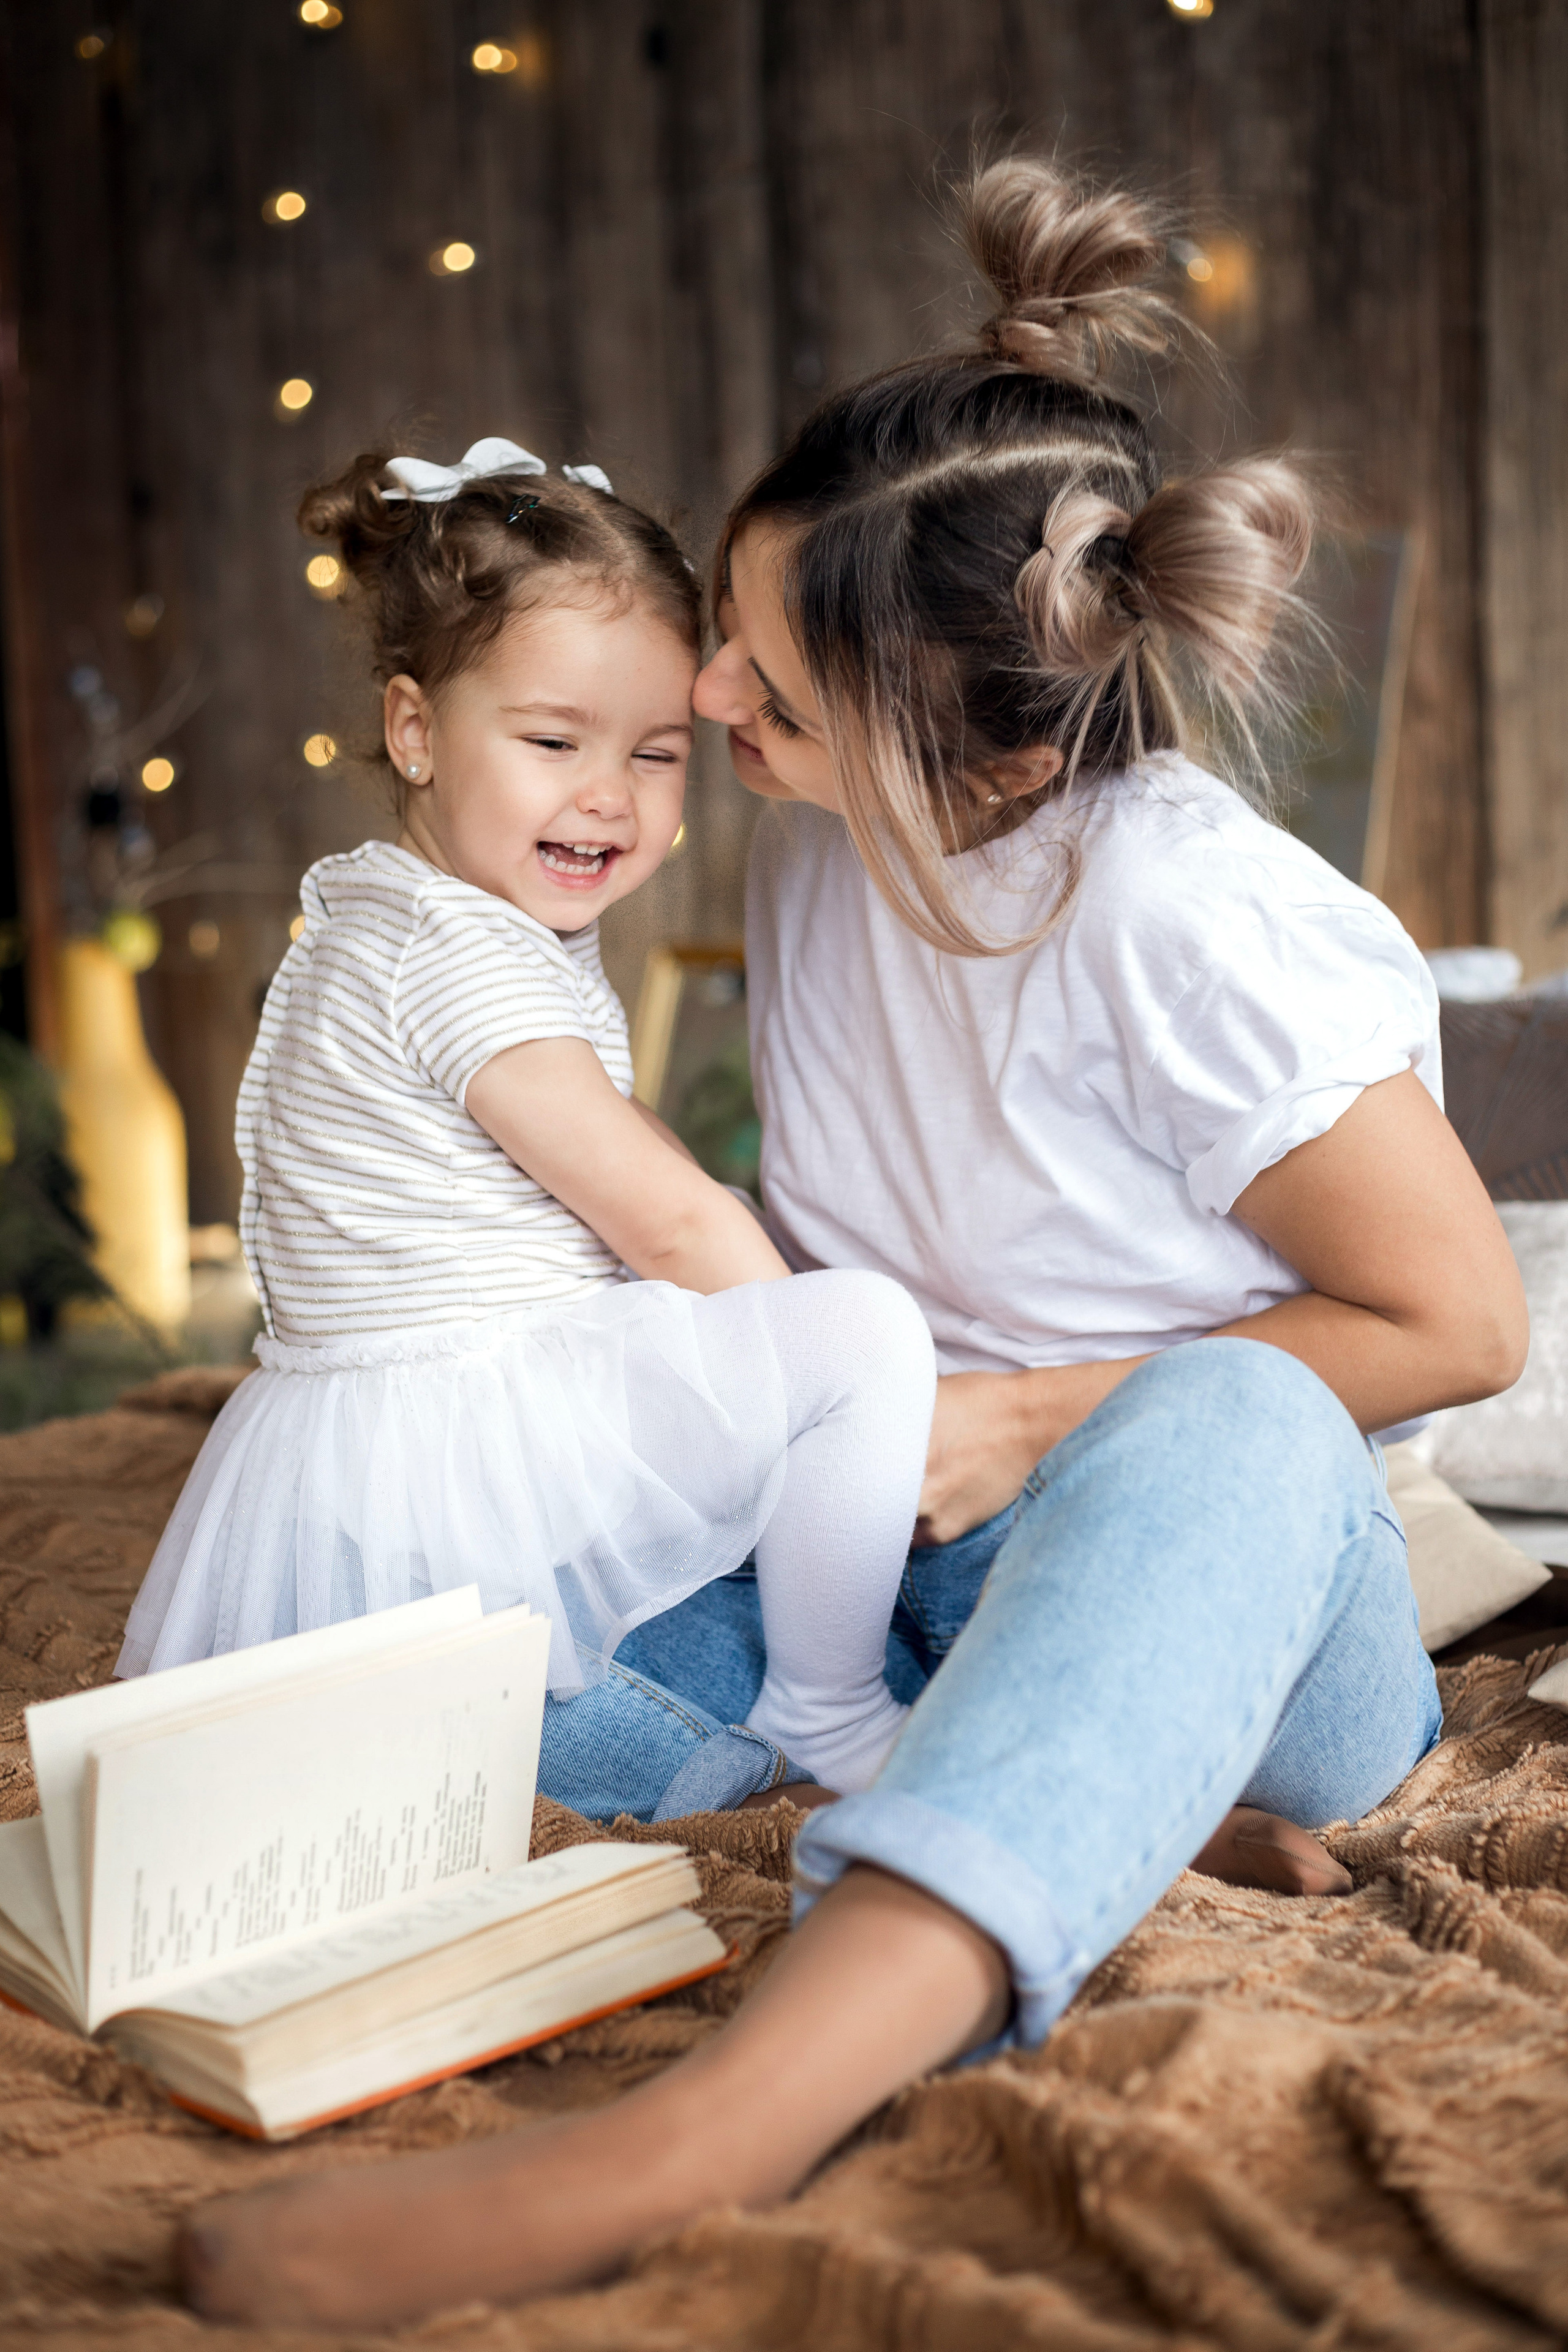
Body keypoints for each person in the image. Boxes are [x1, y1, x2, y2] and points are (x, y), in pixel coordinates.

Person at [180, 164, 1528, 2328]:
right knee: (449, 1650)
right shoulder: (824, 833)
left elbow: (1456, 1316)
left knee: (1228, 1424)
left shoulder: (1187, 916)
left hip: (1218, 1563)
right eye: (725, 626)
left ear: (980, 749)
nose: (709, 699)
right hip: (887, 1542)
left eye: (769, 682)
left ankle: (714, 2122)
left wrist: (1022, 1422)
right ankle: (1077, 1789)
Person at [115, 434, 936, 1801]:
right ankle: (832, 1707)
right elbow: (668, 1219)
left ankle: (663, 1746)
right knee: (862, 1335)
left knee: (624, 1673)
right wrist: (798, 1379)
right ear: (415, 729)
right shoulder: (457, 955)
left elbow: (607, 1148)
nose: (608, 794)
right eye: (554, 741)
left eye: (657, 753)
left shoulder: (385, 911)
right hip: (456, 1449)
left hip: (362, 1482)